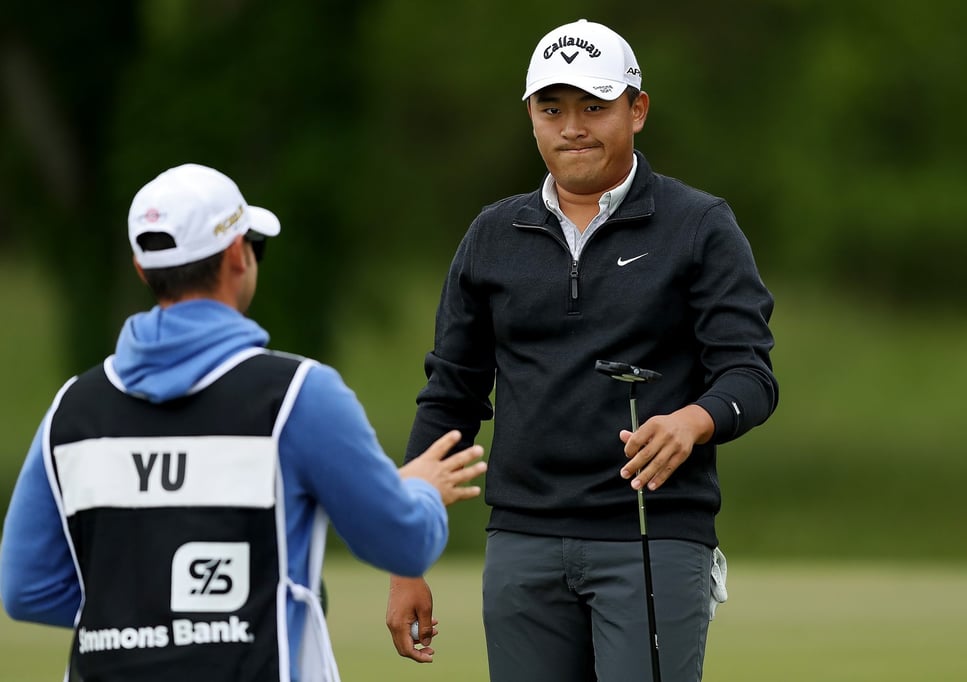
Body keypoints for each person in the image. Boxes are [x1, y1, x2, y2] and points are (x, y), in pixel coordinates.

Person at [385, 18, 778, 682]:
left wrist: (695, 419)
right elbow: (450, 397)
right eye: (552, 108)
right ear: (532, 118)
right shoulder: (492, 235)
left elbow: (748, 373)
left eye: (594, 106)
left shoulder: (699, 226)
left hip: (652, 536)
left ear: (638, 109)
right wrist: (405, 559)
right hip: (522, 542)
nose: (572, 126)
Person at [0, 163, 487, 682]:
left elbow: (27, 588)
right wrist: (421, 493)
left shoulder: (71, 408)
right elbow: (404, 542)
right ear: (238, 255)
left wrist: (147, 622)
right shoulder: (299, 394)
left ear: (143, 270)